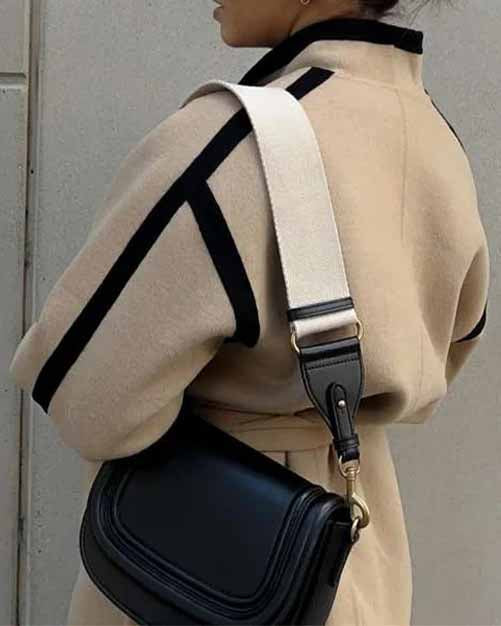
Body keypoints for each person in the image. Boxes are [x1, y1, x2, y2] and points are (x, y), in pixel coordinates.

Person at [9, 0, 490, 624]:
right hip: (361, 559)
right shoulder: (435, 140)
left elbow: (87, 401)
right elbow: (450, 350)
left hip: (204, 572)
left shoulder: (233, 142)